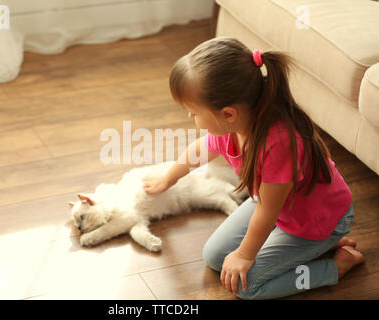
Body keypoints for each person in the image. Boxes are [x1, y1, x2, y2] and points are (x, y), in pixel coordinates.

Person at [142, 37, 364, 300]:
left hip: (313, 221)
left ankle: (334, 266)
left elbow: (267, 213)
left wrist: (246, 254)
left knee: (246, 286)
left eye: (193, 111)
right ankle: (314, 248)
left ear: (228, 113)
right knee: (215, 256)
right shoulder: (232, 126)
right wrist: (168, 179)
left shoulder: (278, 143)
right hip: (275, 207)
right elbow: (203, 149)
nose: (190, 117)